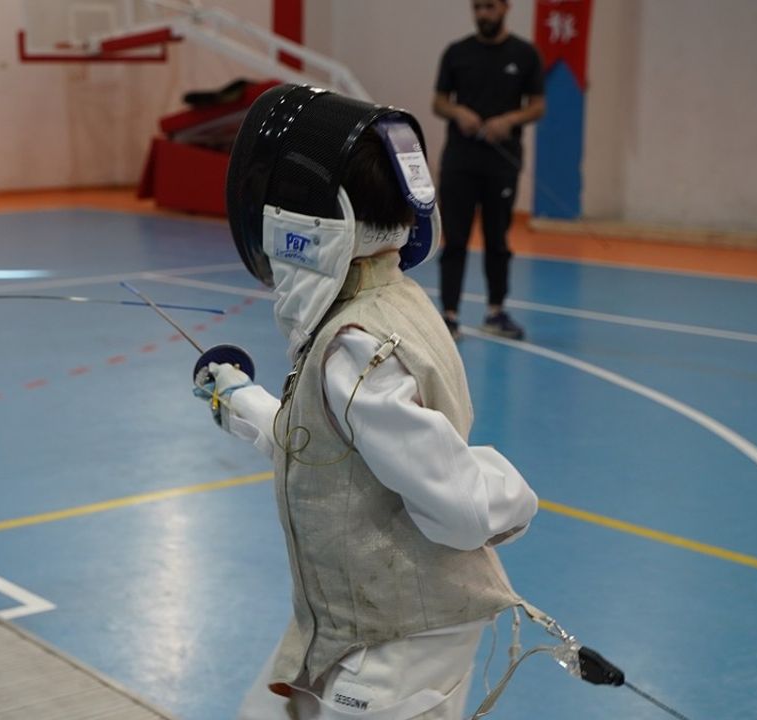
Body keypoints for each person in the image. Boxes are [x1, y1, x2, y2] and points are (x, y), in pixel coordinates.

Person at [217, 84, 539, 719]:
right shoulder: (393, 303)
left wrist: (511, 490)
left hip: (401, 640)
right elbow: (321, 441)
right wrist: (235, 399)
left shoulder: (355, 348)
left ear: (302, 221)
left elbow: (461, 507)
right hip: (354, 623)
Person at [432, 0, 545, 340]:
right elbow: (438, 101)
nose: (483, 14)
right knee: (455, 239)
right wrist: (458, 113)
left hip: (502, 162)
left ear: (505, 8)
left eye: (490, 7)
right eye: (478, 7)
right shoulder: (456, 52)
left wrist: (509, 120)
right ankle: (449, 316)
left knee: (498, 239)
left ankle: (496, 312)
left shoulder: (525, 54)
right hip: (459, 161)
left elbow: (537, 106)